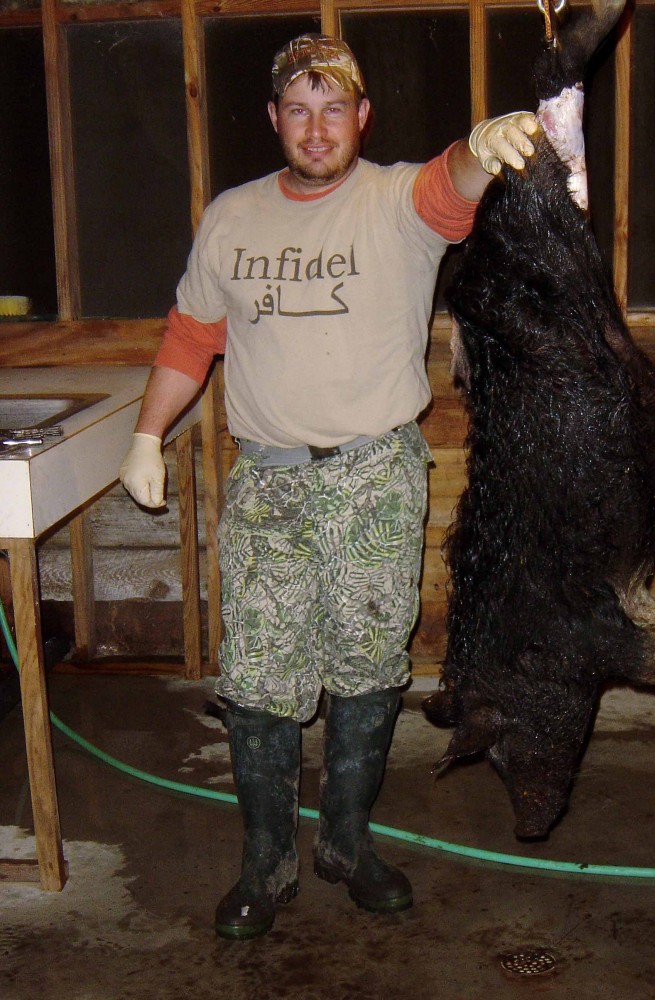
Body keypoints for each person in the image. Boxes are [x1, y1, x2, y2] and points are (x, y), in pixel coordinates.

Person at [119, 33, 537, 940]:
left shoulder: (397, 203)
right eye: (298, 109)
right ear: (274, 119)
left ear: (362, 117)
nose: (317, 127)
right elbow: (193, 338)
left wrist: (483, 142)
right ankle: (265, 869)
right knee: (261, 683)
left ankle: (347, 844)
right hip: (268, 488)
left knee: (368, 670)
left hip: (374, 481)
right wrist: (148, 434)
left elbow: (453, 179)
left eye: (334, 107)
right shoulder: (231, 217)